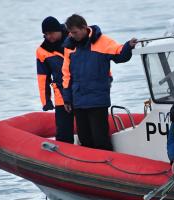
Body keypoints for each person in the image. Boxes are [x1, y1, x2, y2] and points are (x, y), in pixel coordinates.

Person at [62, 14, 137, 150]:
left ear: (84, 28)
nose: (72, 36)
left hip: (98, 99)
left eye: (75, 32)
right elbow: (66, 74)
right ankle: (88, 169)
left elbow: (120, 55)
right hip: (79, 100)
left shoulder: (103, 42)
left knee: (100, 139)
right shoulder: (70, 47)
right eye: (71, 33)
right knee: (84, 139)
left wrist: (128, 47)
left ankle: (108, 165)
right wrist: (67, 99)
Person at [36, 16, 74, 143]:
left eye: (51, 33)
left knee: (87, 128)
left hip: (81, 91)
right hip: (60, 94)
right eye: (46, 34)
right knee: (63, 134)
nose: (48, 36)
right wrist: (46, 100)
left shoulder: (74, 38)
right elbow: (43, 78)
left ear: (59, 30)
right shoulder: (42, 51)